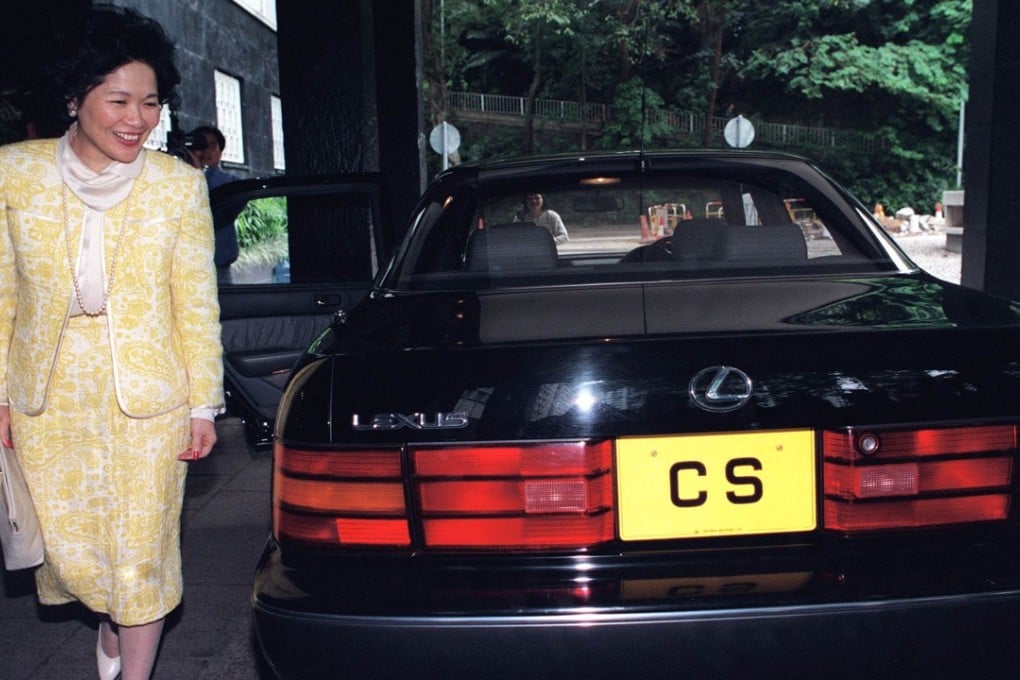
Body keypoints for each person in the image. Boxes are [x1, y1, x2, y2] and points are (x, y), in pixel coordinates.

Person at [0, 6, 224, 680]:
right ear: (74, 99)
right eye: (118, 100)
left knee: (142, 551)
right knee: (74, 554)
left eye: (150, 102)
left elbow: (196, 300)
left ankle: (133, 666)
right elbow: (2, 295)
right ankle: (111, 620)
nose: (137, 118)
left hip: (151, 398)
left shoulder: (178, 187)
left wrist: (203, 405)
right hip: (49, 394)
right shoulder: (14, 173)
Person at [190, 125, 240, 282]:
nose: (206, 150)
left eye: (212, 145)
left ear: (220, 151)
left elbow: (216, 215)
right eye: (201, 144)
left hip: (219, 269)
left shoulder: (232, 184)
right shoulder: (177, 181)